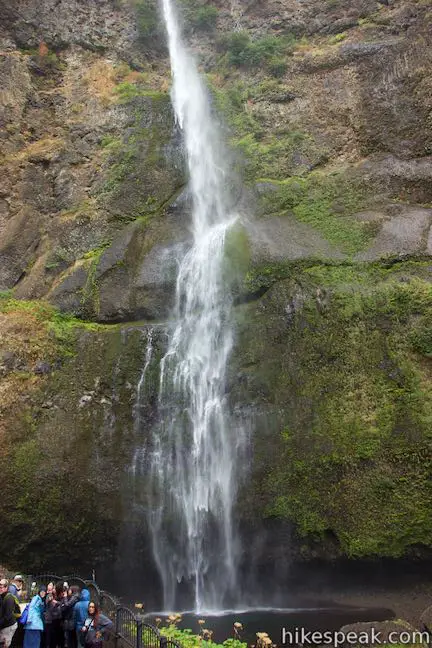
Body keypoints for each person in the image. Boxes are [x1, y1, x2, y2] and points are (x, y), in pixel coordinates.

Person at [0, 579, 18, 648]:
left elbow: (8, 616)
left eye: (2, 587)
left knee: (4, 645)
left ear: (6, 587)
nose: (0, 588)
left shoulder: (9, 598)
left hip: (8, 626)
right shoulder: (2, 596)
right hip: (4, 625)